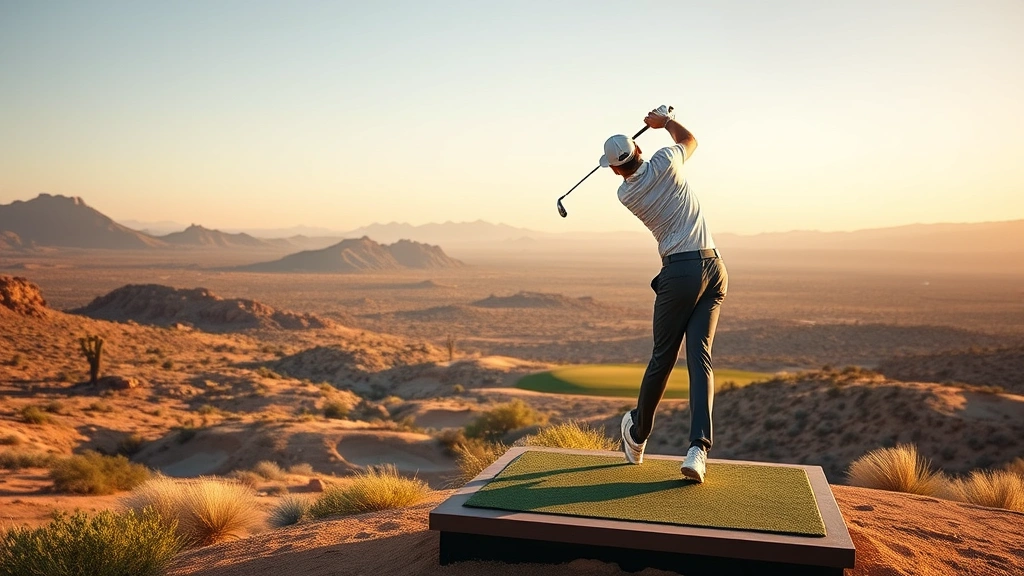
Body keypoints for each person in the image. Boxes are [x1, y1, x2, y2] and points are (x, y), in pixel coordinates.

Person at [603, 106, 728, 483]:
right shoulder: (665, 160)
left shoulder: (626, 193)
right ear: (639, 152)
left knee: (663, 356)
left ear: (614, 169)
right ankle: (697, 451)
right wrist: (663, 122)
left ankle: (638, 435)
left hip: (680, 272)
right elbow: (689, 140)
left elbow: (638, 167)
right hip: (715, 267)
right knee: (700, 358)